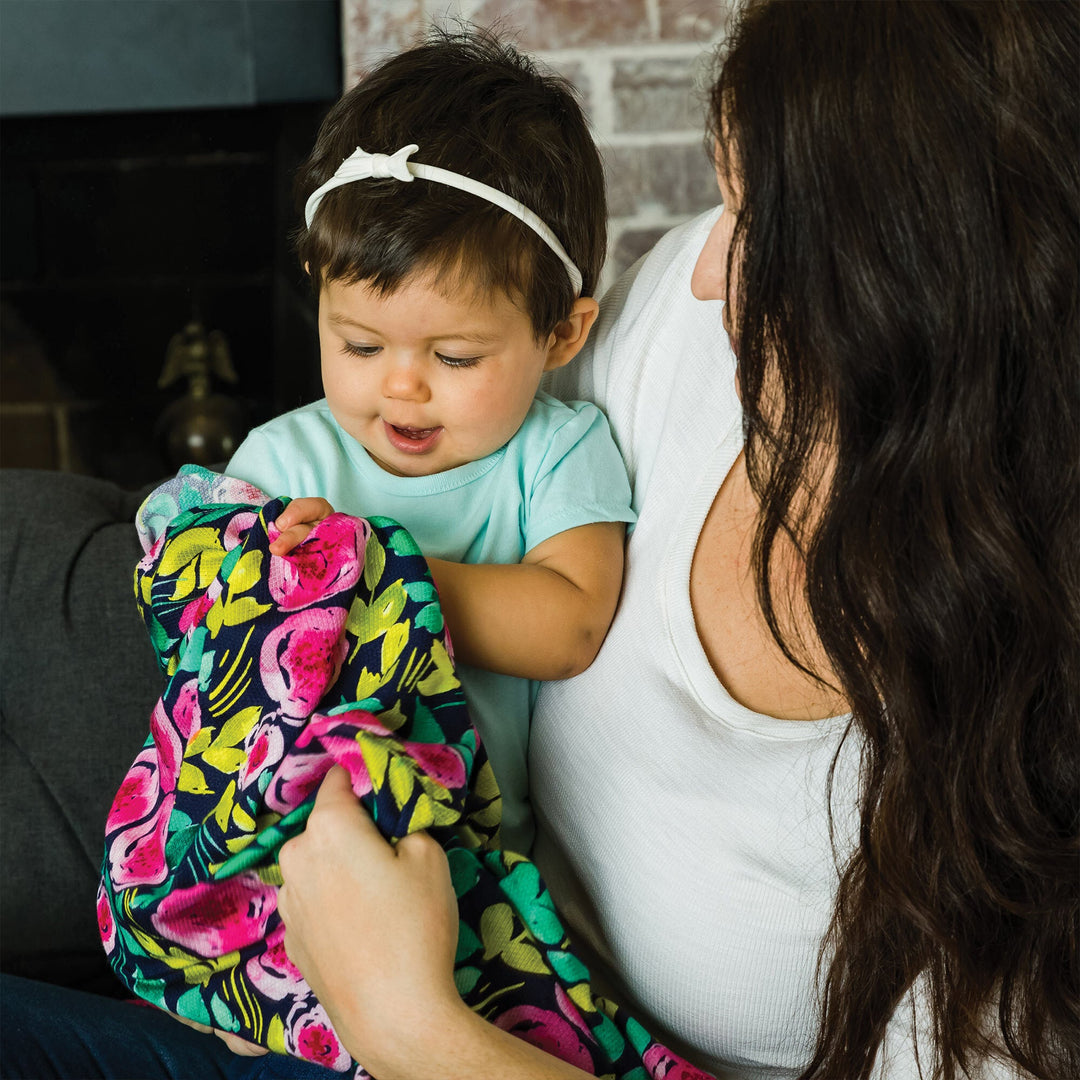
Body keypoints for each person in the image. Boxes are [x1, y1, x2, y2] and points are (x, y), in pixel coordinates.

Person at [1, 2, 1076, 1078]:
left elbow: (550, 593)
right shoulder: (687, 339)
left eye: (756, 224)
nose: (702, 269)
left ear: (917, 279)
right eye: (722, 196)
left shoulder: (1017, 753)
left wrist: (406, 1020)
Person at [222, 30, 634, 859]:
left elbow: (571, 627)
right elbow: (229, 647)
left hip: (478, 859)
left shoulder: (556, 452)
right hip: (293, 844)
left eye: (453, 357)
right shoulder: (281, 464)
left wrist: (367, 571)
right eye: (361, 347)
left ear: (560, 335)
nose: (400, 386)